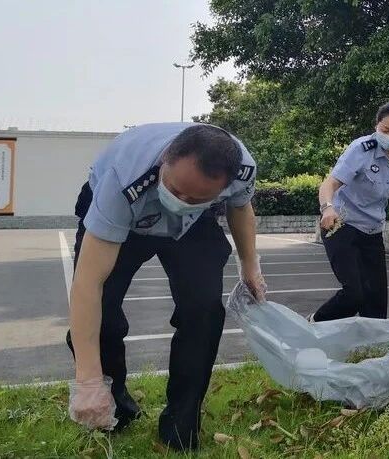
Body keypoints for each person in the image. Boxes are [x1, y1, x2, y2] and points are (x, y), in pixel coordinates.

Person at [66, 123, 265, 451]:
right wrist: (87, 380)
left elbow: (240, 208)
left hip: (195, 223)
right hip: (132, 213)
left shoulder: (241, 170)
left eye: (195, 196)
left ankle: (181, 426)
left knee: (203, 311)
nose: (180, 201)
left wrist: (250, 265)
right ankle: (112, 404)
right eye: (176, 190)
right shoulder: (124, 180)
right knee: (103, 316)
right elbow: (88, 284)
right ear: (164, 162)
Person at [313, 101, 389, 321]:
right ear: (376, 126)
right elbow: (329, 184)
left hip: (372, 232)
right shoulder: (360, 150)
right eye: (385, 130)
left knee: (376, 301)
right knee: (353, 294)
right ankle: (314, 323)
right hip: (341, 226)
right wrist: (327, 208)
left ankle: (370, 348)